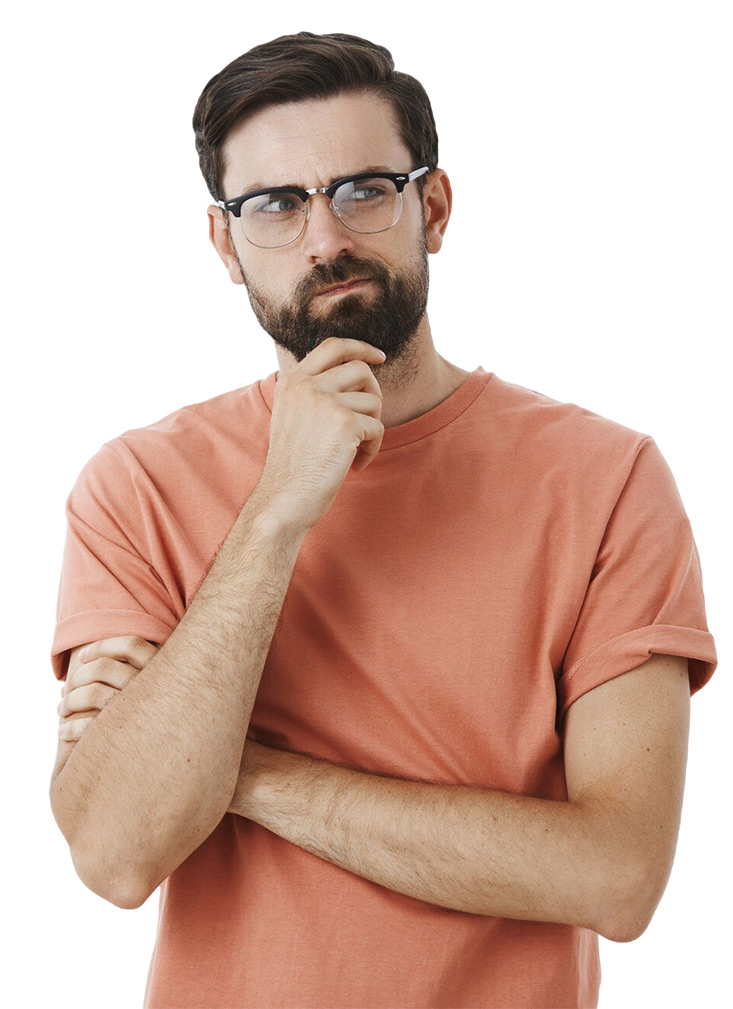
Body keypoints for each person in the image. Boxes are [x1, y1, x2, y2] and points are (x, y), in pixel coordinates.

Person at [49, 31, 718, 1009]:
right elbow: (115, 853)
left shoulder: (606, 479)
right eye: (274, 204)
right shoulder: (137, 485)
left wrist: (237, 773)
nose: (324, 239)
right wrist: (277, 508)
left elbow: (617, 876)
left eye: (364, 190)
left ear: (431, 208)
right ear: (226, 245)